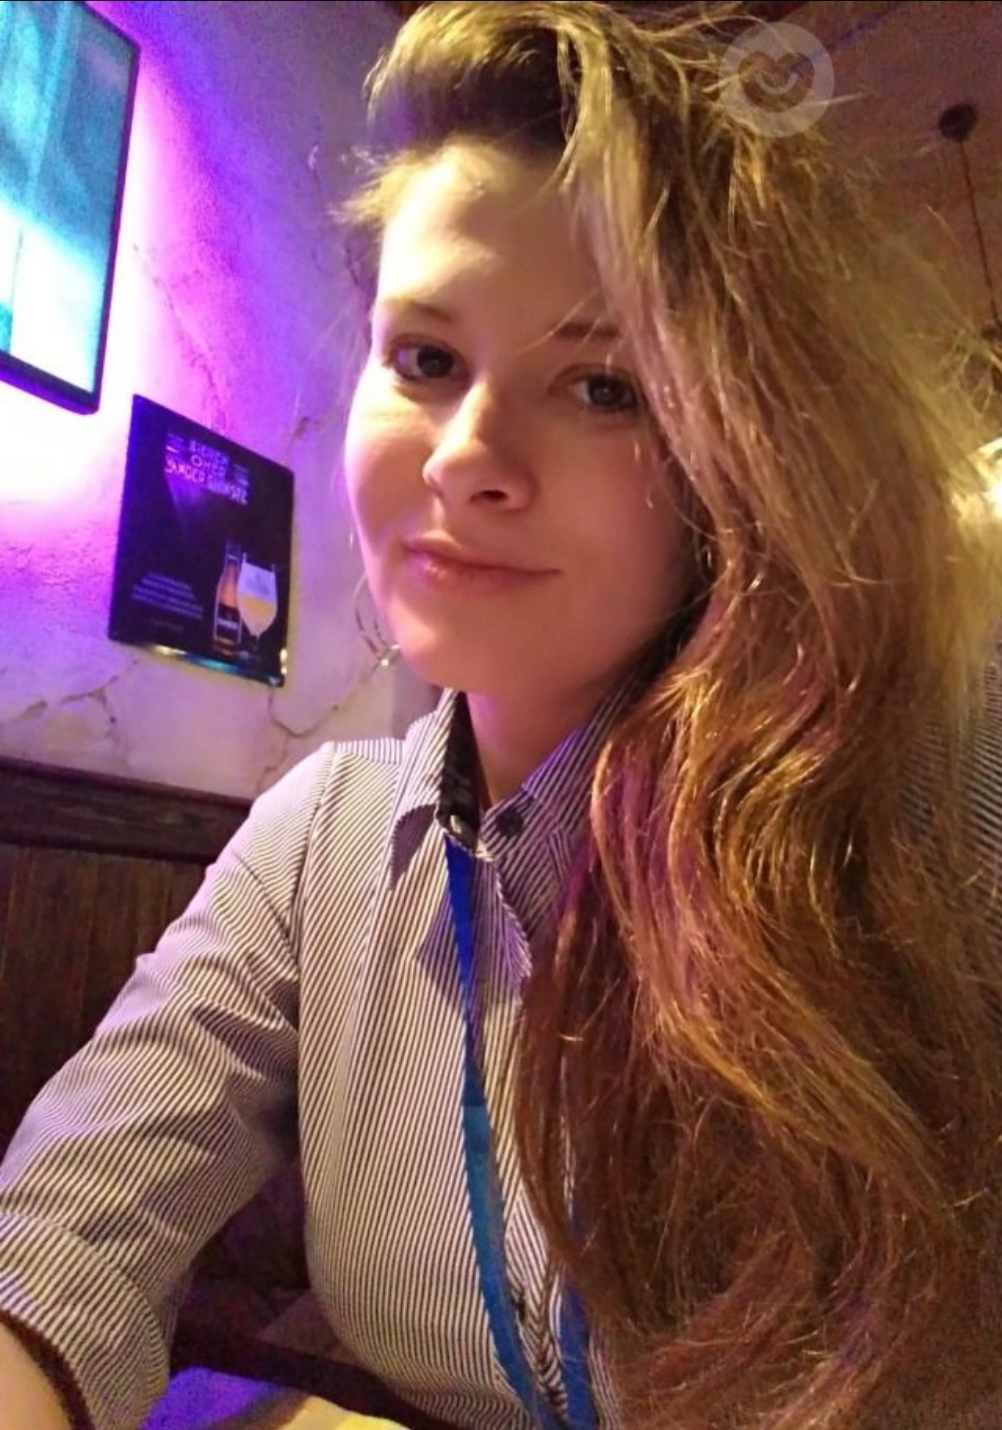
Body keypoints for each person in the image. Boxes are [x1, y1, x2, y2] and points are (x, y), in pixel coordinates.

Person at [3, 3, 1002, 1428]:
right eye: (424, 359)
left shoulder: (934, 797)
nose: (467, 456)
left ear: (733, 452)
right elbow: (72, 1232)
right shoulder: (320, 839)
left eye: (600, 385)